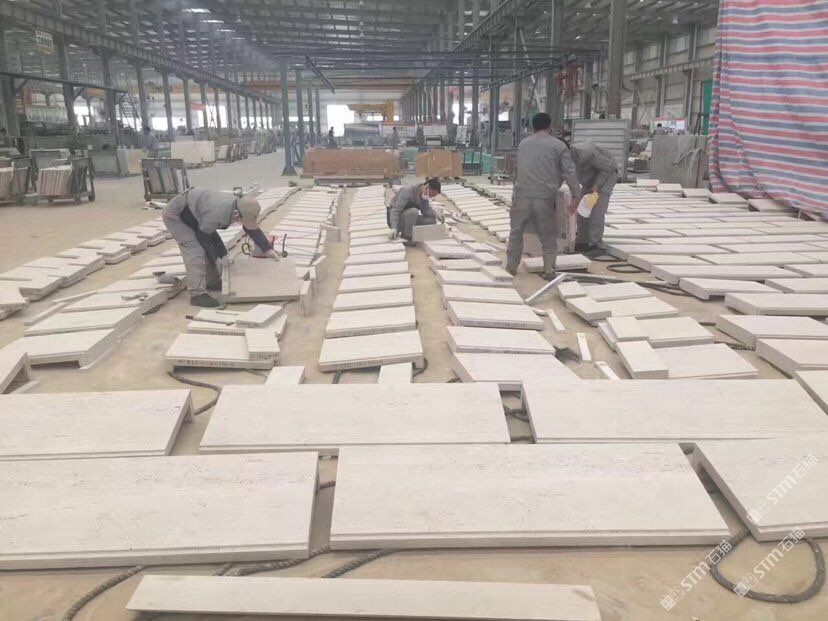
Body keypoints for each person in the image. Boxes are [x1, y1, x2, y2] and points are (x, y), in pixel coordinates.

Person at [162, 189, 280, 308]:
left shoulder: (239, 207)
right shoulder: (218, 213)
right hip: (176, 215)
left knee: (212, 249)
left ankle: (211, 282)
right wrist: (216, 259)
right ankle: (197, 294)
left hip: (196, 215)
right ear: (237, 214)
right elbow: (204, 238)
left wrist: (267, 250)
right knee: (195, 250)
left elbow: (250, 229)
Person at [506, 112, 580, 280]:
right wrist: (576, 195)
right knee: (547, 236)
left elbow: (518, 170)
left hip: (521, 196)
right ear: (550, 126)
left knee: (516, 233)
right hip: (544, 198)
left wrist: (514, 195)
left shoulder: (523, 144)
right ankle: (549, 271)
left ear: (533, 126)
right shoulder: (558, 145)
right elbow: (569, 171)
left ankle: (511, 267)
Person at [569, 142, 618, 256]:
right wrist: (575, 196)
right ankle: (583, 241)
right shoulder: (562, 158)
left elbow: (607, 167)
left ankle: (596, 244)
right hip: (589, 180)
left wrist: (597, 186)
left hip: (606, 178)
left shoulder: (587, 152)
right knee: (582, 210)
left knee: (597, 211)